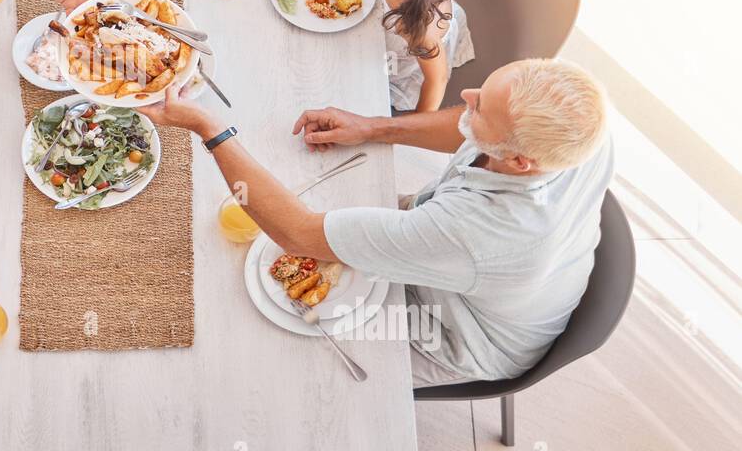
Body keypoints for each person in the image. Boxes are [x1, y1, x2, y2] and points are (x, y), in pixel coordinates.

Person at [140, 59, 612, 386]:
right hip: (501, 277)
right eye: (482, 89)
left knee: (271, 358)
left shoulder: (478, 232)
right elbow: (472, 125)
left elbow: (296, 233)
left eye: (480, 105)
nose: (466, 94)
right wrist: (372, 126)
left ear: (521, 162)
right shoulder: (582, 119)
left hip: (460, 335)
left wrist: (209, 128)